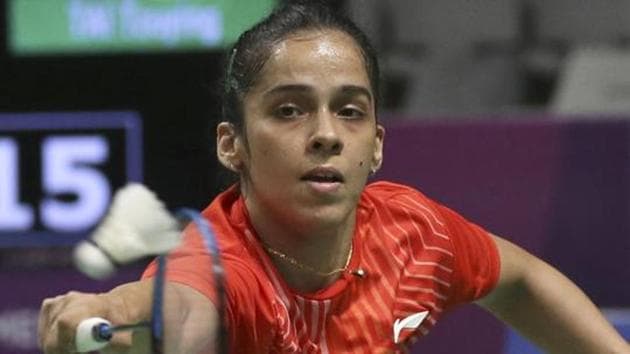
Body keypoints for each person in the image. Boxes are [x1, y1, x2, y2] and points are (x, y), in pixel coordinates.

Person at [38, 1, 630, 354]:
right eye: (289, 110)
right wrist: (111, 309)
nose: (326, 134)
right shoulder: (223, 267)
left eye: (350, 110)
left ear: (375, 146)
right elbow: (181, 310)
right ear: (232, 145)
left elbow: (520, 280)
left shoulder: (412, 233)